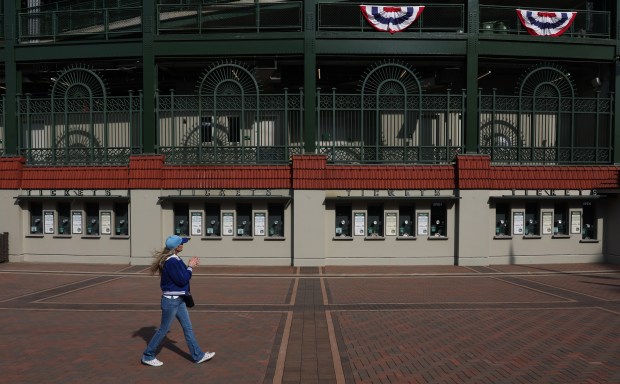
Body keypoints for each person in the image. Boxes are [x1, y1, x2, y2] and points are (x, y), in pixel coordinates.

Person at [141, 235, 215, 366]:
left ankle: (198, 356)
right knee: (163, 330)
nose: (183, 245)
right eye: (182, 243)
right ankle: (148, 355)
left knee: (188, 328)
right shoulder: (172, 261)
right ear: (177, 247)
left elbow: (180, 278)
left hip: (178, 300)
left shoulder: (173, 259)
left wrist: (189, 267)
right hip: (171, 301)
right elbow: (182, 280)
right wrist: (190, 267)